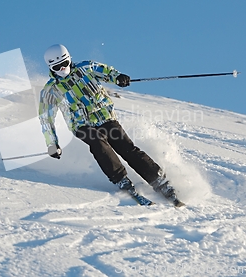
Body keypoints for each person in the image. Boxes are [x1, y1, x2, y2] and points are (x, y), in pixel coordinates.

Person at [38, 44, 181, 205]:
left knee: (126, 147)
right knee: (97, 142)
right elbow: (46, 118)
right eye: (58, 66)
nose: (63, 68)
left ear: (70, 59)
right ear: (51, 67)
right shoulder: (51, 90)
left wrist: (119, 77)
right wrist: (52, 144)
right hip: (82, 125)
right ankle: (120, 179)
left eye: (65, 63)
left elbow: (107, 72)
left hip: (105, 117)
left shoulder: (87, 68)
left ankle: (158, 180)